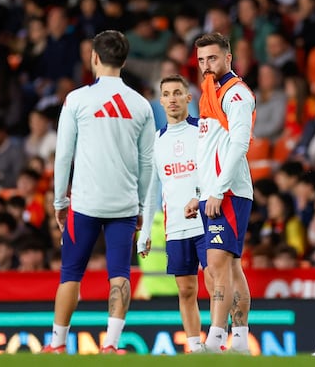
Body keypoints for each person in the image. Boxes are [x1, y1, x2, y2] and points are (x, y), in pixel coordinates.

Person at [41, 30, 155, 354]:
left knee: (70, 274)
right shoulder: (141, 104)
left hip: (86, 204)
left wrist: (60, 201)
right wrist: (142, 208)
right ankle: (111, 345)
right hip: (124, 205)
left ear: (94, 57)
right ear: (124, 60)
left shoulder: (77, 99)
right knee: (119, 273)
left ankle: (58, 344)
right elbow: (148, 163)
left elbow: (63, 155)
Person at [184, 32, 256, 354]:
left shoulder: (236, 94)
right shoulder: (208, 93)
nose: (206, 65)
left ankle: (215, 339)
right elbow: (208, 150)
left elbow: (240, 144)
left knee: (216, 264)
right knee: (230, 266)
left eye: (212, 58)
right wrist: (199, 193)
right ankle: (239, 341)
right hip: (213, 191)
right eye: (200, 60)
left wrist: (218, 190)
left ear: (228, 58)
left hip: (228, 191)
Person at [137, 74, 212, 353]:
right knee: (186, 289)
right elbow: (152, 187)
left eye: (177, 93)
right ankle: (195, 346)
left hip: (206, 220)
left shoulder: (204, 130)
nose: (172, 99)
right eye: (166, 94)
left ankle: (217, 338)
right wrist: (145, 233)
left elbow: (214, 171)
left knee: (216, 282)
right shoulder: (157, 140)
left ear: (188, 98)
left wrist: (199, 196)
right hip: (176, 225)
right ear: (161, 100)